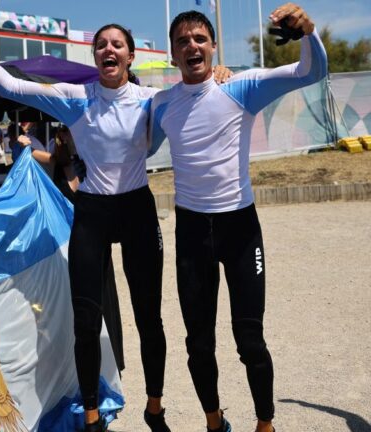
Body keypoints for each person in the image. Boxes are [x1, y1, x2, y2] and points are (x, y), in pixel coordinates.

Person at [0, 2, 222, 431]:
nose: (109, 49)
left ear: (129, 57)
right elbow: (11, 86)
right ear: (95, 57)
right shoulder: (76, 99)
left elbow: (195, 92)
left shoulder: (151, 101)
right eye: (101, 45)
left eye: (117, 45)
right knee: (85, 320)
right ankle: (91, 414)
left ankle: (155, 407)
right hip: (93, 212)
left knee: (149, 318)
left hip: (137, 208)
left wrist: (221, 75)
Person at [149, 4, 326, 432]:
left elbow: (310, 72)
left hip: (241, 230)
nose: (191, 45)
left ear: (212, 47)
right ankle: (215, 423)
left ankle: (265, 424)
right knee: (198, 344)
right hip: (192, 232)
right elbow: (130, 144)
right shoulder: (159, 104)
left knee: (250, 339)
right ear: (173, 55)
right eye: (182, 41)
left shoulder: (241, 86)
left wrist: (308, 34)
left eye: (199, 39)